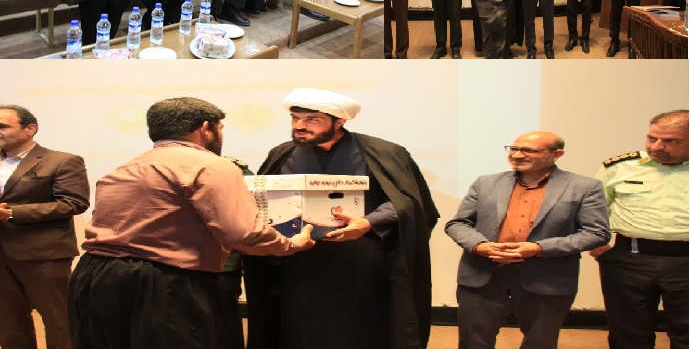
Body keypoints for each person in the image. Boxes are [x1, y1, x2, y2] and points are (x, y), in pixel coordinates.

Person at [67, 97, 315, 349]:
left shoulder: (126, 167)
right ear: (206, 128)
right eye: (220, 128)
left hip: (94, 277)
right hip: (164, 282)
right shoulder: (212, 166)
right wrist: (290, 244)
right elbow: (241, 233)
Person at [244, 88, 439, 349]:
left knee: (362, 327)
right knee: (300, 327)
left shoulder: (383, 152)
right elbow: (264, 200)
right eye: (295, 118)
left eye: (312, 120)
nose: (300, 126)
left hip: (362, 259)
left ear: (340, 121)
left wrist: (369, 222)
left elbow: (407, 201)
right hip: (300, 262)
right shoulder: (282, 154)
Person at [445, 131, 610, 348]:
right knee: (473, 342)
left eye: (528, 150)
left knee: (540, 343)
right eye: (513, 148)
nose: (517, 155)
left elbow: (597, 233)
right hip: (483, 274)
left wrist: (538, 248)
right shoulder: (485, 183)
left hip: (547, 278)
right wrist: (479, 246)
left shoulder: (584, 187)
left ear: (556, 154)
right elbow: (458, 223)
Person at [590, 110, 688, 349]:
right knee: (628, 335)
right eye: (652, 138)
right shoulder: (620, 167)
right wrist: (597, 243)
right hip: (629, 260)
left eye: (671, 141)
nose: (657, 146)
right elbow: (591, 210)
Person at [0, 104, 89, 349]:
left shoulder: (62, 161)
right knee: (8, 320)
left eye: (3, 126)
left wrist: (11, 213)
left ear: (30, 128)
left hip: (43, 254)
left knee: (59, 320)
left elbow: (73, 203)